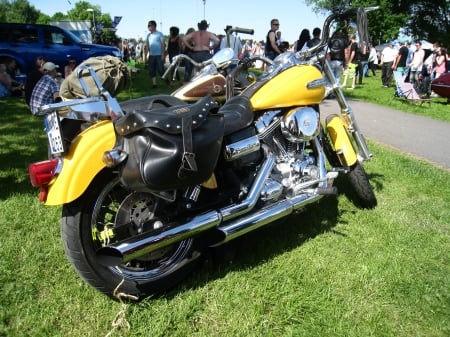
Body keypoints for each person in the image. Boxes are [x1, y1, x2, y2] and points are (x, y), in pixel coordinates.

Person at [144, 20, 166, 89]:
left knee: (161, 70)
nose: (148, 28)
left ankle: (168, 81)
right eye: (148, 26)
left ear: (153, 26)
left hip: (159, 55)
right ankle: (154, 84)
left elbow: (163, 45)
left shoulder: (160, 34)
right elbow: (147, 46)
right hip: (151, 55)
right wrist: (146, 55)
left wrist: (163, 54)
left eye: (149, 26)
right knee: (151, 70)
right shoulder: (148, 35)